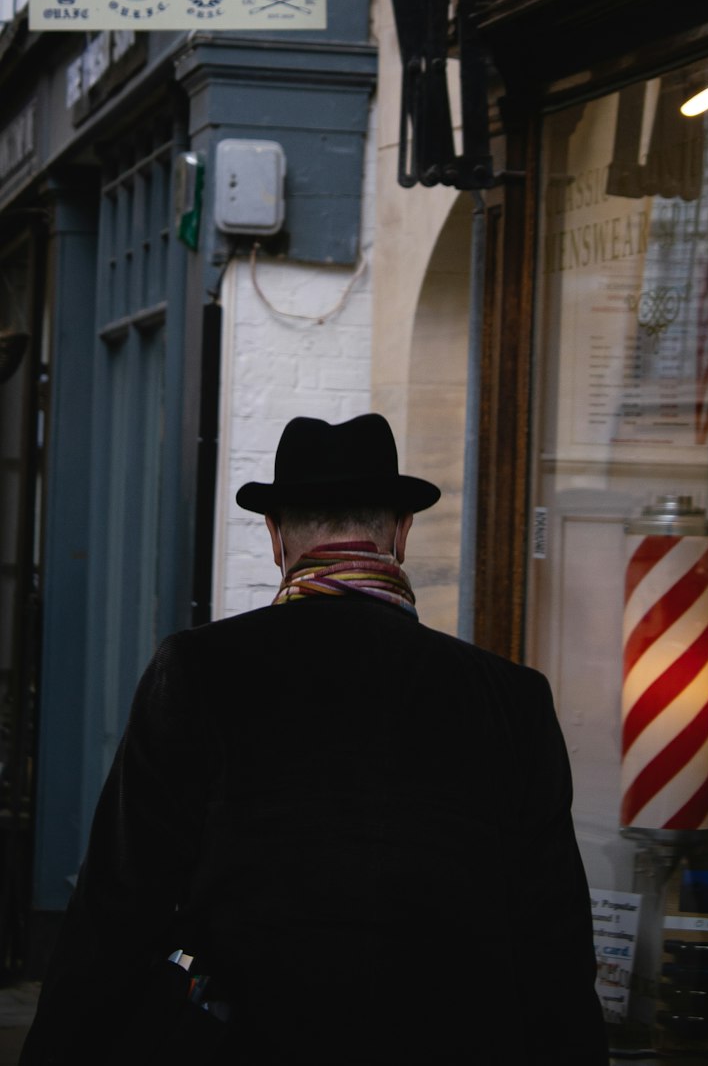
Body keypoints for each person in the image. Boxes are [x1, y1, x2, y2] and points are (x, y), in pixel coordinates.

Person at [20, 413, 608, 1066]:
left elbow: (117, 911)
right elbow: (554, 953)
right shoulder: (512, 699)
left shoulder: (200, 671)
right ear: (402, 533)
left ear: (275, 538)